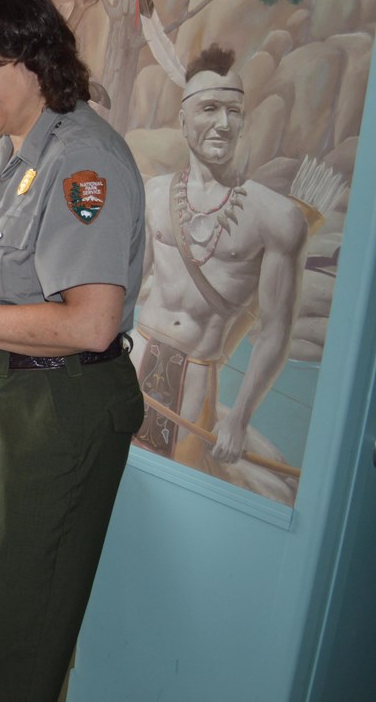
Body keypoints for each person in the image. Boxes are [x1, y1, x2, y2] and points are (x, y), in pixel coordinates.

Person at [0, 0, 146, 701]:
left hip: (51, 406)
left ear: (36, 62)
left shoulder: (84, 162)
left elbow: (90, 322)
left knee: (17, 624)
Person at [131, 44, 305, 504]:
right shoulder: (154, 195)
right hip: (135, 361)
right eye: (210, 109)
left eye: (234, 111)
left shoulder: (276, 218)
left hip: (197, 381)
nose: (223, 124)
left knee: (176, 498)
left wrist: (239, 417)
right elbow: (129, 287)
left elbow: (273, 333)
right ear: (184, 120)